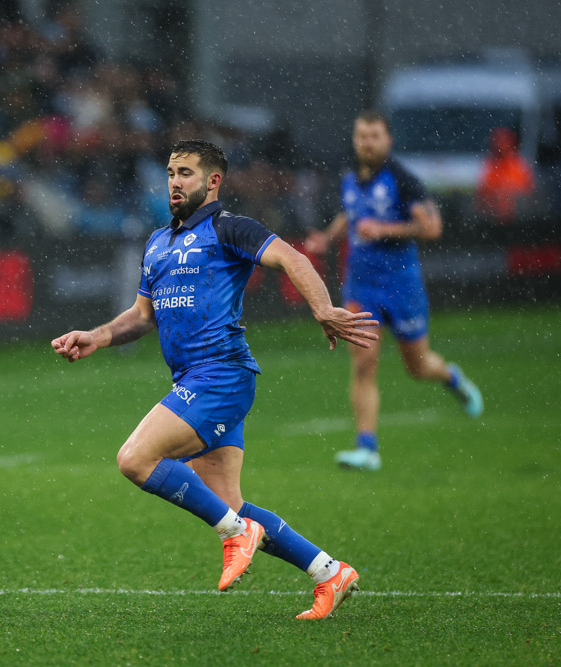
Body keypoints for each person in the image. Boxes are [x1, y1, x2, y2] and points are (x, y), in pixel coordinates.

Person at [52, 139, 378, 620]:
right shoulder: (158, 242)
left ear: (213, 181)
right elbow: (143, 316)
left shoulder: (230, 229)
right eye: (170, 173)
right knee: (230, 504)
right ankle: (328, 571)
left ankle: (234, 535)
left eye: (185, 173)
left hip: (220, 375)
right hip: (196, 378)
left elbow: (292, 257)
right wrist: (98, 336)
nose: (175, 182)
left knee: (135, 459)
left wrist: (323, 309)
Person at [305, 111, 484, 471]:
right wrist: (328, 238)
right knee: (364, 363)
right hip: (362, 286)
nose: (366, 142)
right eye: (361, 136)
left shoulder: (404, 181)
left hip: (402, 287)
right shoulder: (349, 178)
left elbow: (431, 228)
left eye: (374, 136)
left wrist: (385, 230)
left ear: (387, 141)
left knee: (417, 367)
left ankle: (451, 377)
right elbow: (350, 214)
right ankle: (366, 448)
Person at [474, 126, 535, 223]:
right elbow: (483, 192)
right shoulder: (492, 165)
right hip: (494, 218)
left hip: (517, 219)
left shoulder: (518, 165)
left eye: (503, 143)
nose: (500, 146)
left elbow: (526, 192)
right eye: (498, 143)